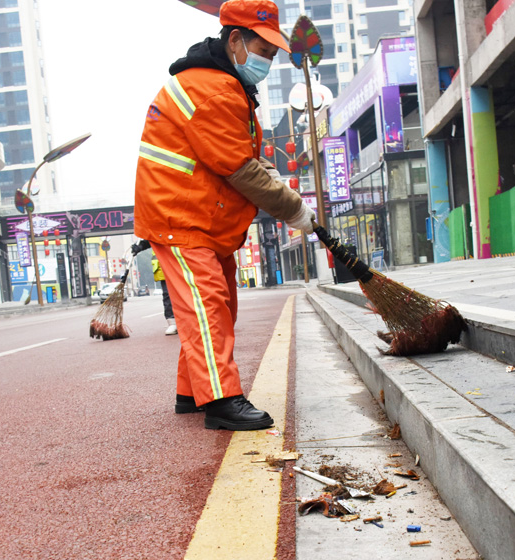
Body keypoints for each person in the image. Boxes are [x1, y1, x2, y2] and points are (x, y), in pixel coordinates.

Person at [133, 0, 315, 431]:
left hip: (201, 215)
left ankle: (190, 391)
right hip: (180, 215)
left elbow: (244, 157)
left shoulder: (227, 85)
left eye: (272, 55)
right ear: (235, 39)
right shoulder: (212, 89)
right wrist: (295, 210)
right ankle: (220, 398)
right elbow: (240, 168)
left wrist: (281, 186)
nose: (267, 63)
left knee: (218, 305)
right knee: (208, 305)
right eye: (263, 52)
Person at [152, 253, 178, 336]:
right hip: (163, 267)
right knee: (167, 294)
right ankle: (172, 323)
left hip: (179, 263)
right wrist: (141, 245)